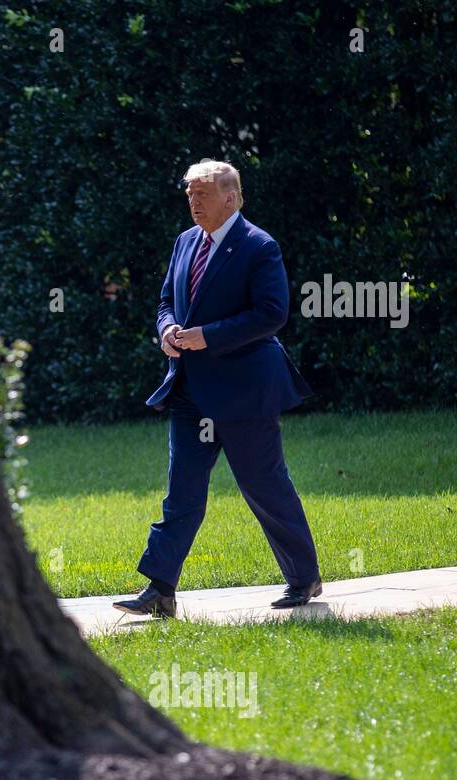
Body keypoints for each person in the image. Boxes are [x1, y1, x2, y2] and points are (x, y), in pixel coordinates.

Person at [114, 159, 322, 618]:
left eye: (202, 193)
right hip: (190, 390)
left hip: (245, 391)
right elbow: (167, 300)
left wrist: (207, 335)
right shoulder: (185, 242)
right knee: (181, 491)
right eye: (189, 193)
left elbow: (272, 313)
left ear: (231, 197)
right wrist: (168, 329)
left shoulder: (259, 246)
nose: (193, 201)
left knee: (264, 487)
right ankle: (160, 589)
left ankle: (304, 578)